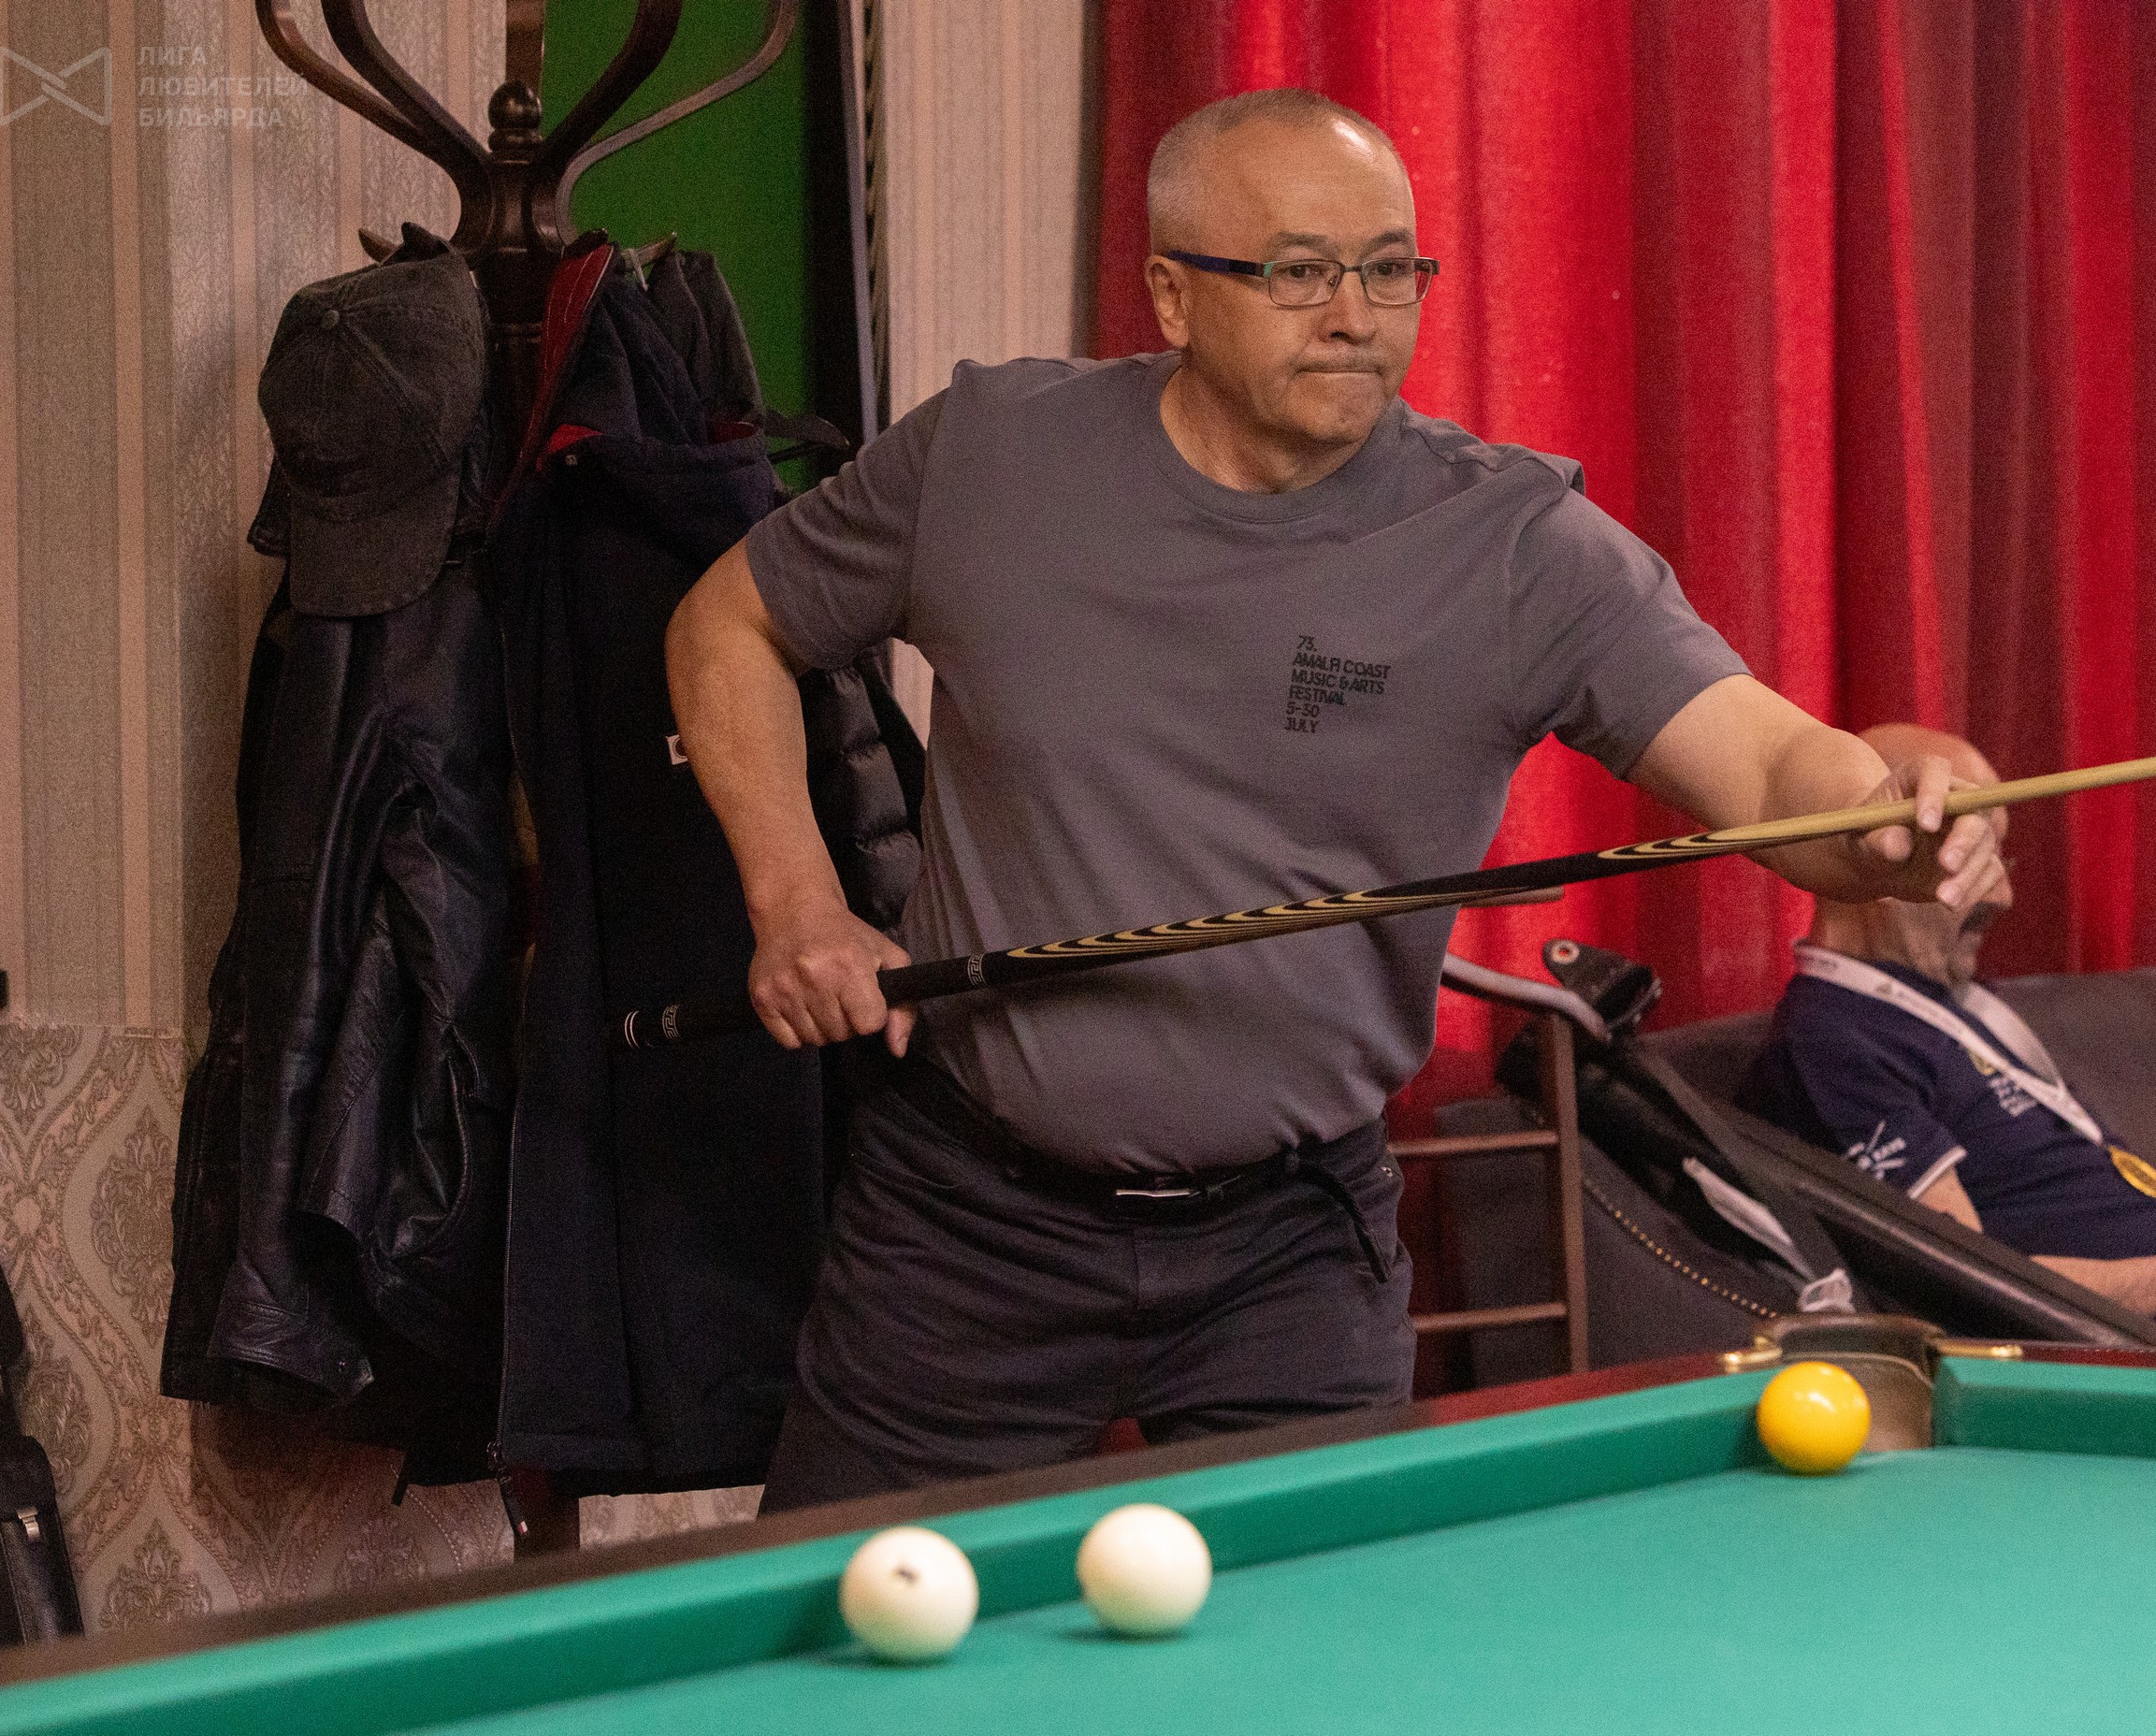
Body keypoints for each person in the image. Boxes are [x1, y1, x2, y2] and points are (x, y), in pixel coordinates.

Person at [665, 88, 2005, 1510]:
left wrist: (1879, 819)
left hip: (1293, 1250)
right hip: (966, 1222)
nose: (1355, 315)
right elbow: (726, 626)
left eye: (1389, 269)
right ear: (1172, 295)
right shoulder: (989, 458)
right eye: (1300, 271)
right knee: (850, 1612)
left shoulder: (1516, 546)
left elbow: (1772, 764)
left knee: (1324, 1627)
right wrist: (797, 906)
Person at [1743, 723, 2156, 1345]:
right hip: (2143, 1349)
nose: (2005, 895)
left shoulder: (1950, 1002)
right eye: (1975, 854)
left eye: (1999, 859)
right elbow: (1974, 1289)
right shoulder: (1831, 1042)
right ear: (1883, 852)